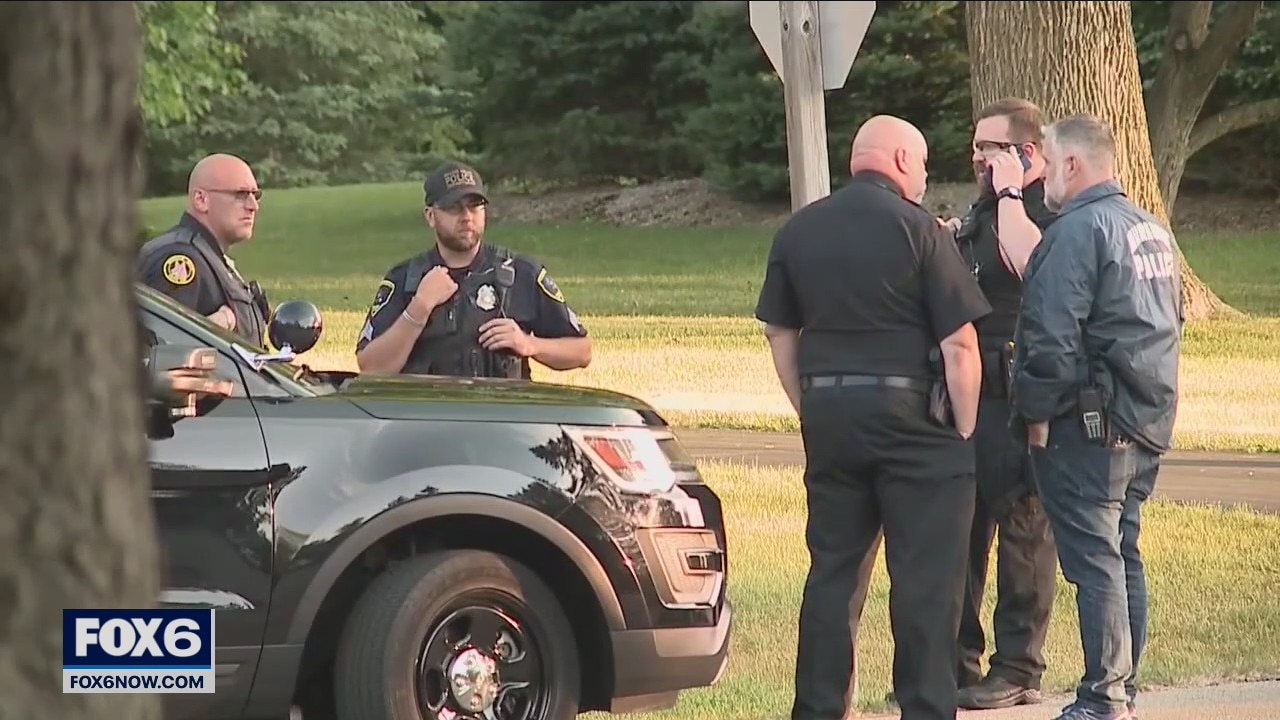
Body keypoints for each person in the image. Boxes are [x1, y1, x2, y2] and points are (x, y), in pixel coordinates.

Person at [755, 114, 991, 720]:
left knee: (833, 573)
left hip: (831, 418)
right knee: (926, 582)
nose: (925, 178)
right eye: (924, 165)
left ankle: (818, 709)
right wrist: (964, 428)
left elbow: (780, 333)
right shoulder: (920, 230)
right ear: (903, 161)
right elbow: (960, 344)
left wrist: (810, 406)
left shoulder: (799, 230)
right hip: (916, 425)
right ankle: (925, 707)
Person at [1010, 114, 1184, 720]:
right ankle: (1123, 692)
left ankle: (1104, 698)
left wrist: (1034, 414)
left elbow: (1051, 338)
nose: (1042, 177)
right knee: (1123, 553)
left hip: (1089, 427)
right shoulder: (1149, 228)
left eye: (1047, 163)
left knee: (1096, 563)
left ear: (1072, 164)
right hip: (1144, 420)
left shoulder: (1075, 232)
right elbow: (1169, 323)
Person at [938, 98, 1060, 710]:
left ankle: (1018, 667)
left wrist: (1011, 193)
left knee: (1024, 528)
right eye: (976, 146)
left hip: (1018, 391)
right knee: (962, 528)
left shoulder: (1041, 209)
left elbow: (1031, 266)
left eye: (989, 147)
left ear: (1026, 152)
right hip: (970, 391)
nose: (977, 156)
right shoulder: (982, 209)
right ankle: (956, 663)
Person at [355, 160, 591, 378]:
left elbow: (582, 351)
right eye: (454, 207)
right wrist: (419, 308)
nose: (467, 217)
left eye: (475, 206)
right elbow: (371, 367)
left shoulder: (522, 274)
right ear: (430, 216)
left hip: (501, 409)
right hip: (428, 409)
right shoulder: (405, 280)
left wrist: (529, 344)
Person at [137, 153, 270, 348]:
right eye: (241, 195)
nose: (253, 206)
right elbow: (166, 352)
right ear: (201, 199)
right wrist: (221, 322)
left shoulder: (208, 256)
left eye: (255, 195)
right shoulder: (180, 258)